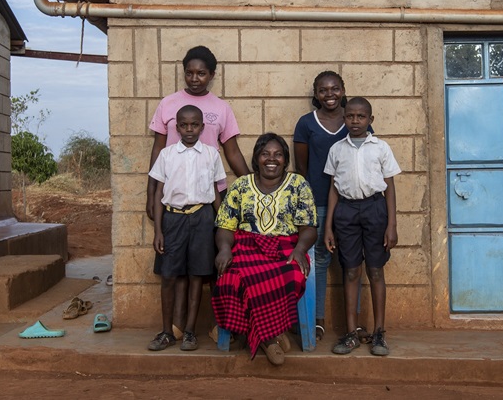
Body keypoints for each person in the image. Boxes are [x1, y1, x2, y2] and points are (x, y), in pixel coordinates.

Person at [147, 45, 250, 336]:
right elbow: (157, 148)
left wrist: (252, 184)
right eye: (189, 73)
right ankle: (175, 327)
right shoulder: (168, 104)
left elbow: (231, 151)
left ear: (211, 76)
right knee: (175, 270)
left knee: (205, 267)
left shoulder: (221, 108)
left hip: (208, 198)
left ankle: (212, 326)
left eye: (201, 73)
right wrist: (150, 191)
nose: (195, 78)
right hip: (174, 194)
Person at [212, 133, 317, 366]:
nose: (272, 159)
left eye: (278, 154)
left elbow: (309, 227)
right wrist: (224, 248)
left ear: (285, 159)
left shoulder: (298, 185)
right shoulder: (240, 186)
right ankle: (270, 337)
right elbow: (225, 226)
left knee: (291, 274)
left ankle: (263, 335)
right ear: (257, 159)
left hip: (286, 248)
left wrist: (300, 249)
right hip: (246, 247)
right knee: (230, 278)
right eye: (265, 154)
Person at [293, 71, 369, 342]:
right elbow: (301, 167)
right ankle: (318, 320)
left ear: (343, 90)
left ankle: (356, 322)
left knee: (352, 261)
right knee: (321, 260)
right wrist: (311, 199)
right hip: (320, 202)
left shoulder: (356, 119)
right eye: (323, 90)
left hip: (351, 203)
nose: (329, 94)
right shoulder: (306, 123)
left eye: (334, 89)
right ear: (315, 94)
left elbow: (366, 158)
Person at [324, 97, 401, 356]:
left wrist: (392, 224)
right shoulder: (337, 149)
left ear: (370, 120)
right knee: (350, 271)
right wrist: (328, 227)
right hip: (346, 212)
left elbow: (389, 187)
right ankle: (351, 332)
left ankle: (379, 332)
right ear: (344, 118)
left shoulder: (381, 147)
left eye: (361, 117)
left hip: (375, 209)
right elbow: (333, 189)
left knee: (376, 271)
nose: (355, 121)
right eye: (350, 117)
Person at [147, 105, 226, 352]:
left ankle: (190, 332)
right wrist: (158, 230)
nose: (189, 129)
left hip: (202, 218)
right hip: (173, 219)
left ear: (202, 127)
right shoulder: (167, 155)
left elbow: (215, 191)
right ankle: (166, 331)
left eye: (194, 125)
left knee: (196, 276)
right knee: (169, 276)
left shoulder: (211, 154)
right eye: (184, 125)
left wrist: (222, 222)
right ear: (176, 127)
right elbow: (160, 192)